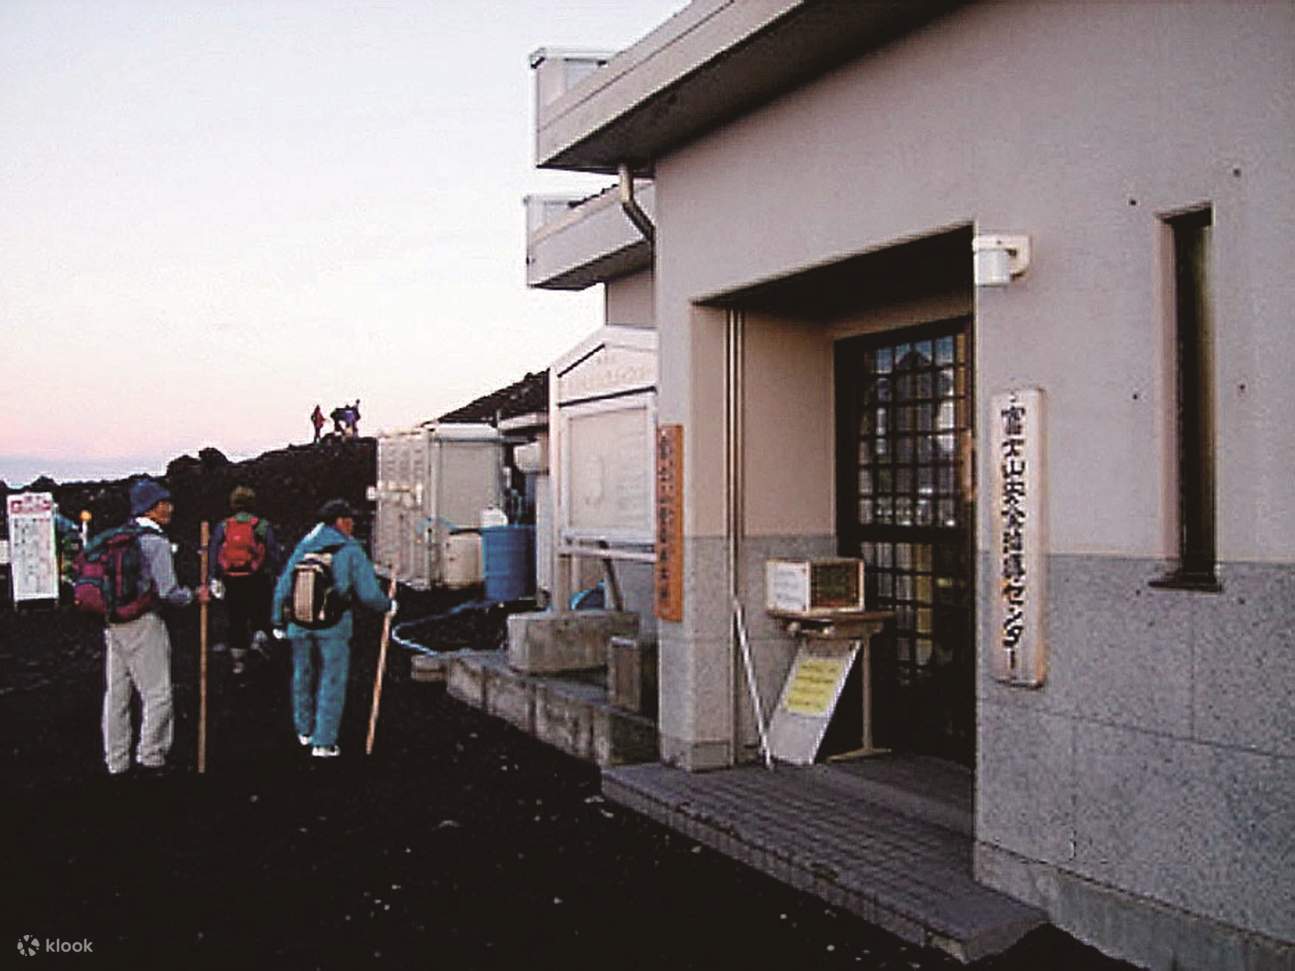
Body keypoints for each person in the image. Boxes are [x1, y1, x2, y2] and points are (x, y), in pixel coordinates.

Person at [271, 498, 394, 758]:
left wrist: (277, 620)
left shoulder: (304, 546)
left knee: (302, 674)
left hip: (299, 622)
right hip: (333, 625)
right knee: (332, 678)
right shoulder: (350, 550)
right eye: (350, 520)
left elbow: (283, 585)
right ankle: (323, 741)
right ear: (340, 521)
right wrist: (387, 606)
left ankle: (303, 731)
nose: (352, 525)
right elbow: (369, 594)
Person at [103, 479, 208, 777]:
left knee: (117, 695)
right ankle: (151, 756)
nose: (170, 508)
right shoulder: (155, 542)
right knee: (157, 692)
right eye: (165, 502)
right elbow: (168, 591)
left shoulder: (119, 537)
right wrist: (195, 596)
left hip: (113, 623)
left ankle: (116, 760)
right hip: (144, 623)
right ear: (152, 507)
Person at [208, 485, 281, 676]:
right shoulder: (262, 525)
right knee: (260, 614)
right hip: (258, 579)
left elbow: (214, 553)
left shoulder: (223, 527)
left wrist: (214, 578)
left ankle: (238, 662)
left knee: (236, 619)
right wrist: (277, 573)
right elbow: (272, 552)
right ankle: (260, 644)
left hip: (232, 580)